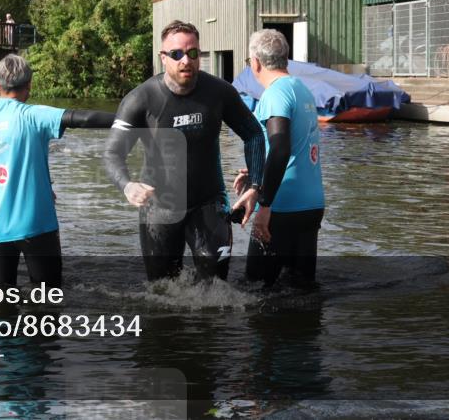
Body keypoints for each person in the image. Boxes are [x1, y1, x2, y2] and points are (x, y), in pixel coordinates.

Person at [104, 20, 265, 282]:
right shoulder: (140, 99)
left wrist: (255, 185)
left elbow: (254, 135)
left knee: (217, 289)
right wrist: (127, 185)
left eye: (192, 53)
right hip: (160, 207)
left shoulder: (220, 92)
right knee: (162, 291)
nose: (185, 61)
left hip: (209, 202)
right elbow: (113, 153)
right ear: (163, 57)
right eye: (176, 54)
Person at [0, 54, 114, 289]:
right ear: (29, 85)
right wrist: (129, 120)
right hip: (38, 225)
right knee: (47, 301)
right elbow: (81, 118)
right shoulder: (33, 115)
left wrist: (8, 186)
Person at [231, 29, 325, 289]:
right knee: (301, 290)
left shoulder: (275, 94)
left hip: (282, 207)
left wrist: (265, 205)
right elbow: (293, 148)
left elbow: (281, 147)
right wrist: (255, 172)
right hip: (312, 205)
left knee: (255, 289)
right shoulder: (301, 89)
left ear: (255, 63)